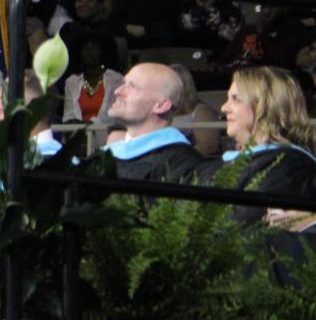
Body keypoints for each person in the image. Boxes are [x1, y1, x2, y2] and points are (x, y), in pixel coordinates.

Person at [207, 67, 316, 224]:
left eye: (236, 99)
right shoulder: (226, 162)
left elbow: (240, 226)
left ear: (265, 107)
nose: (224, 108)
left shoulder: (288, 166)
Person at [100, 62, 203, 181]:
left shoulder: (182, 164)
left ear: (161, 105)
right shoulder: (107, 156)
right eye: (123, 83)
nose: (117, 91)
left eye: (132, 86)